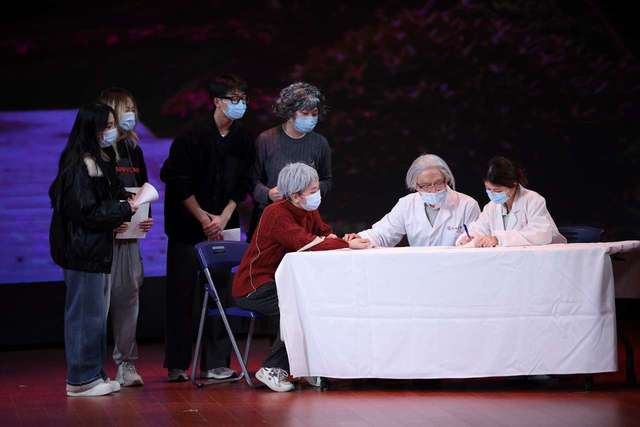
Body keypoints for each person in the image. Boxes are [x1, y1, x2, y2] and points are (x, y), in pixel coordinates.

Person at [233, 163, 370, 393]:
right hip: (255, 286)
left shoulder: (308, 210)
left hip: (283, 283)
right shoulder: (275, 213)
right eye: (313, 190)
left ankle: (306, 365)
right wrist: (346, 245)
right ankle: (272, 368)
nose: (317, 194)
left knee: (316, 304)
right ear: (296, 195)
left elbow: (324, 234)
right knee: (297, 309)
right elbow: (305, 243)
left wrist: (344, 239)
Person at [160, 74, 254, 382]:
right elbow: (176, 179)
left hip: (224, 224)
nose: (240, 104)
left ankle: (216, 362)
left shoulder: (243, 139)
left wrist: (223, 216)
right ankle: (177, 363)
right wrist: (202, 217)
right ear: (217, 102)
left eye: (243, 99)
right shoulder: (191, 136)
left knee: (221, 294)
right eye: (234, 99)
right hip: (188, 226)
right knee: (182, 293)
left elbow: (243, 183)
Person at [49, 103, 136, 397]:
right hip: (83, 252)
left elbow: (106, 198)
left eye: (113, 125)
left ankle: (93, 373)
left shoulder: (100, 159)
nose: (112, 131)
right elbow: (87, 212)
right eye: (107, 126)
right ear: (92, 129)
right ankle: (80, 379)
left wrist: (126, 201)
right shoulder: (77, 164)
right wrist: (124, 209)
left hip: (97, 251)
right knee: (85, 316)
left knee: (96, 317)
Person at [97, 87, 152, 387]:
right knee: (98, 303)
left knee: (129, 299)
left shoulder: (134, 149)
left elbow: (143, 189)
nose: (131, 114)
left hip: (130, 237)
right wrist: (108, 220)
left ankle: (126, 363)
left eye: (133, 108)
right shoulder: (96, 150)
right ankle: (92, 368)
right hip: (102, 239)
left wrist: (145, 216)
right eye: (125, 108)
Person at [249, 82, 332, 240]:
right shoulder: (266, 140)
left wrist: (309, 192)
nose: (311, 118)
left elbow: (327, 180)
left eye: (314, 114)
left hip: (305, 219)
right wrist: (268, 194)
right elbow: (252, 181)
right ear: (290, 112)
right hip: (270, 218)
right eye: (305, 113)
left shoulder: (320, 143)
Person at [345, 154, 480, 247]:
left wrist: (470, 241)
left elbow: (476, 240)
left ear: (446, 180)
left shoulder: (467, 205)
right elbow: (383, 234)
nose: (433, 190)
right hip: (418, 269)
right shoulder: (407, 204)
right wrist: (360, 238)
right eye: (426, 186)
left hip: (456, 269)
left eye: (438, 183)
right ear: (415, 186)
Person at [456, 156, 566, 247]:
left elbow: (541, 234)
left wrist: (498, 239)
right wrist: (468, 238)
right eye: (488, 189)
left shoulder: (533, 200)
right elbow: (479, 229)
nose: (492, 194)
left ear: (514, 184)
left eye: (498, 191)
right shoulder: (491, 207)